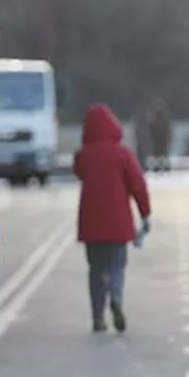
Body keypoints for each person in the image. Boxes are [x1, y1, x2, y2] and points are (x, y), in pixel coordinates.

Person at [74, 103, 152, 334]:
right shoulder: (123, 154)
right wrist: (145, 214)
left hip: (91, 224)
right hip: (118, 224)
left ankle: (98, 317)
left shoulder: (83, 156)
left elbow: (79, 172)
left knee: (96, 270)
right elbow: (138, 185)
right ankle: (116, 297)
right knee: (117, 266)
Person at [149, 99, 173, 173]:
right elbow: (168, 131)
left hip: (158, 141)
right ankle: (164, 167)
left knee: (159, 155)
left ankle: (160, 167)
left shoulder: (155, 121)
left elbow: (152, 131)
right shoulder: (164, 121)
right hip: (161, 141)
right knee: (162, 155)